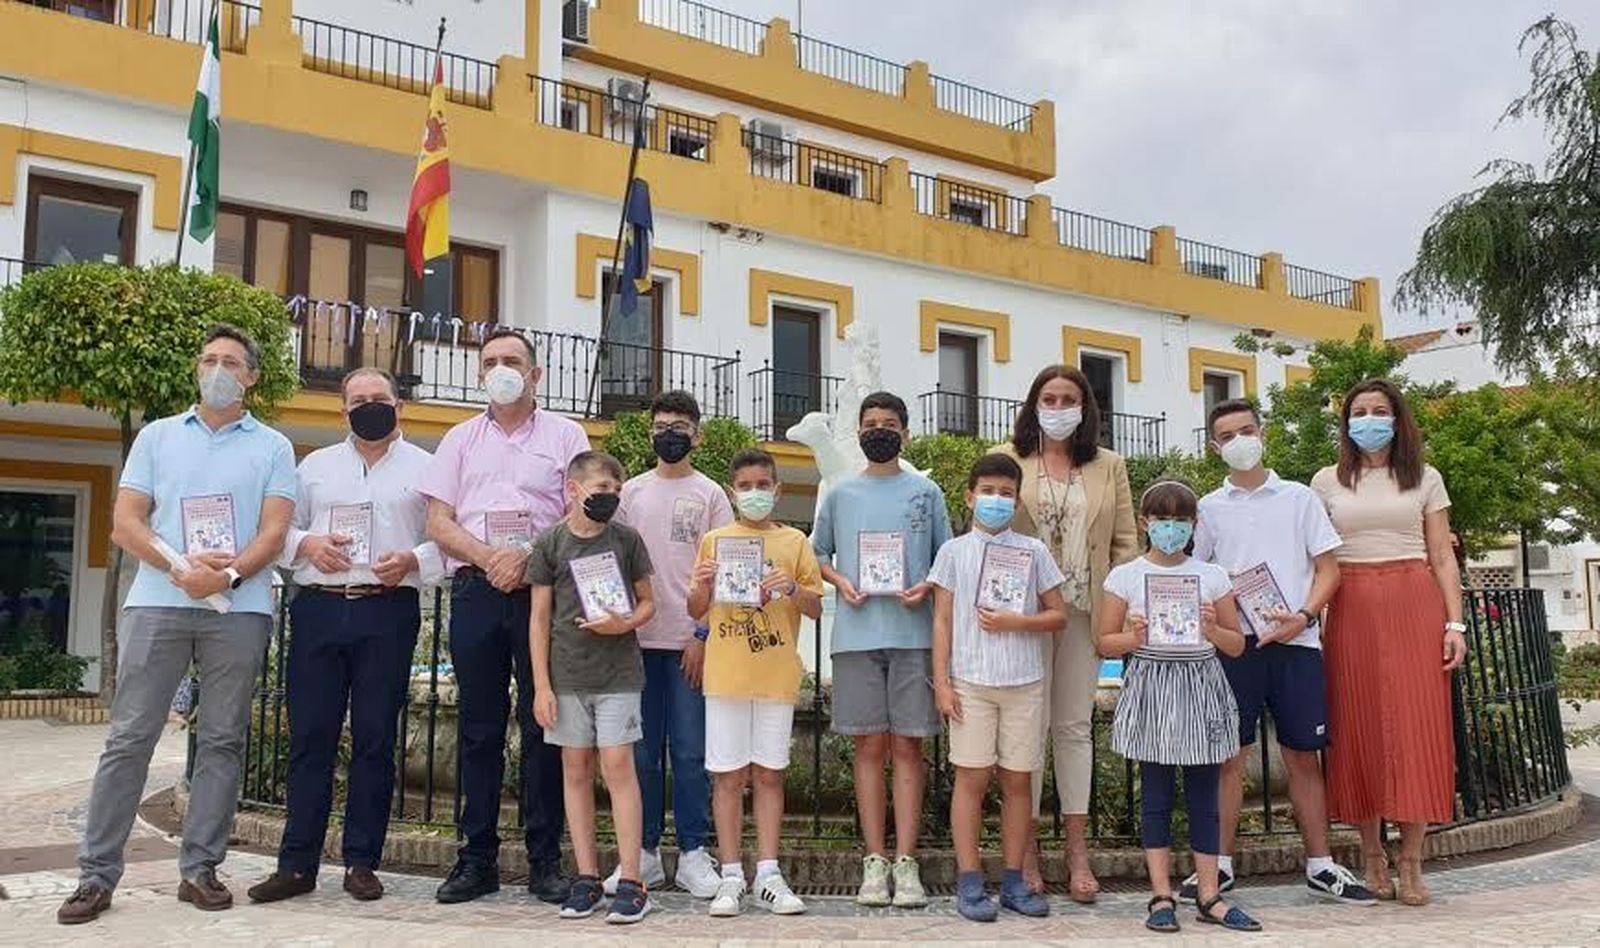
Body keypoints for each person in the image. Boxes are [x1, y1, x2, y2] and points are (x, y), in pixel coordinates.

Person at [58, 324, 296, 924]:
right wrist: (182, 568)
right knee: (129, 739)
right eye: (208, 359)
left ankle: (200, 870)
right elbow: (126, 523)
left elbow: (274, 532)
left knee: (222, 739)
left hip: (238, 610)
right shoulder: (157, 436)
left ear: (251, 377)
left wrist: (227, 577)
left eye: (230, 362)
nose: (217, 370)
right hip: (158, 602)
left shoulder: (273, 446)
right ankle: (96, 876)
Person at [247, 368, 444, 905]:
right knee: (310, 739)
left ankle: (361, 863)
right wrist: (308, 545)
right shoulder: (313, 466)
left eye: (379, 398)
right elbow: (278, 530)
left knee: (377, 740)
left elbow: (445, 539)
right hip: (319, 608)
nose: (369, 406)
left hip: (388, 609)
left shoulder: (428, 469)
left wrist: (413, 560)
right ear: (342, 410)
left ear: (399, 405)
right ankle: (296, 865)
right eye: (358, 400)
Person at [419, 328, 590, 905]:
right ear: (479, 374)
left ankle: (546, 860)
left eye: (512, 360)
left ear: (535, 374)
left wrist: (526, 556)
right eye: (490, 361)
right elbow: (438, 521)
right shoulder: (459, 439)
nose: (500, 369)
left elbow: (578, 514)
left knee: (545, 721)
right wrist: (490, 556)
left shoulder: (566, 436)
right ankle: (477, 858)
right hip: (476, 589)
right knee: (478, 726)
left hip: (543, 593)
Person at [1186, 399, 1374, 905]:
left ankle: (1321, 865)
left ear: (1262, 432)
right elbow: (1197, 575)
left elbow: (1329, 570)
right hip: (1236, 647)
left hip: (1297, 641)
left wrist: (1305, 616)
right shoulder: (1208, 508)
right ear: (1215, 447)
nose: (1239, 441)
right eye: (1228, 436)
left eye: (1246, 430)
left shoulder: (1299, 498)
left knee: (1304, 756)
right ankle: (1218, 867)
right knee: (1228, 757)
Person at [1311, 379, 1467, 907]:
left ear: (1398, 420)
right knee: (1358, 727)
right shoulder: (1326, 481)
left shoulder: (1425, 477)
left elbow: (1441, 556)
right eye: (1359, 411)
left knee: (1417, 728)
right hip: (1350, 603)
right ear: (1346, 422)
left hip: (1412, 601)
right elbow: (1316, 556)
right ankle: (1372, 855)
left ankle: (1412, 860)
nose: (1369, 419)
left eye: (1380, 410)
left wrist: (1455, 625)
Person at [991, 364, 1137, 899]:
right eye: (1048, 398)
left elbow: (1126, 545)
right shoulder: (1008, 458)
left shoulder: (1108, 465)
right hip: (1023, 617)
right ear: (1034, 405)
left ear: (1085, 408)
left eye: (1068, 399)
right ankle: (1025, 849)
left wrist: (1117, 613)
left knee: (1073, 728)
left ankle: (1077, 851)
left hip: (1082, 614)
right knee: (1026, 729)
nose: (1058, 408)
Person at [1097, 480, 1259, 934]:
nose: (1171, 528)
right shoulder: (1125, 576)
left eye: (1180, 520)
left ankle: (1209, 894)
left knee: (1205, 794)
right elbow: (1104, 642)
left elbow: (1236, 645)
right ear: (1145, 522)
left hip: (1200, 683)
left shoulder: (1211, 576)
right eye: (1162, 519)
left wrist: (1211, 629)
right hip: (1152, 683)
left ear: (1194, 525)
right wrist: (1134, 637)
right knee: (1157, 793)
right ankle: (1161, 894)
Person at [811, 391, 951, 908]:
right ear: (859, 432)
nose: (879, 431)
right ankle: (874, 859)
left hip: (914, 636)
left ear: (905, 433)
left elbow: (946, 558)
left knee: (909, 747)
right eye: (870, 423)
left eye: (889, 424)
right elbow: (816, 554)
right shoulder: (841, 493)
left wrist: (927, 584)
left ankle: (907, 860)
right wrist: (841, 582)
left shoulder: (927, 492)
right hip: (856, 636)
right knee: (868, 747)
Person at [686, 449, 823, 918]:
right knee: (727, 776)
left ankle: (768, 872)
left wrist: (792, 588)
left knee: (769, 774)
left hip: (775, 676)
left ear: (777, 490)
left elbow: (815, 607)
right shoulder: (715, 541)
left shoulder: (795, 541)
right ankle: (730, 874)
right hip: (726, 675)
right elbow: (695, 609)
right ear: (732, 492)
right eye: (745, 486)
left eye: (763, 485)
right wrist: (702, 585)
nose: (754, 493)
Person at [928, 453, 1065, 923]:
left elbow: (1058, 614)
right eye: (987, 491)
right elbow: (942, 621)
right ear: (970, 497)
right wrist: (942, 683)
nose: (996, 500)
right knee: (971, 779)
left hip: (1023, 681)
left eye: (1006, 493)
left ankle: (1013, 880)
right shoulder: (952, 552)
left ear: (1017, 501)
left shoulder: (1033, 551)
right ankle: (969, 880)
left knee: (1018, 781)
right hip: (971, 682)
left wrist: (1018, 621)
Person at [609, 390, 733, 899]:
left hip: (689, 643)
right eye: (661, 426)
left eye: (679, 427)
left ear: (697, 435)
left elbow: (725, 571)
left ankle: (693, 853)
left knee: (688, 750)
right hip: (636, 642)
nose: (670, 434)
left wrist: (702, 634)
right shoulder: (631, 493)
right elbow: (613, 563)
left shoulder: (711, 495)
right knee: (640, 754)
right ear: (650, 434)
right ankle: (642, 853)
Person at [528, 451, 657, 924]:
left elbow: (648, 602)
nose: (610, 497)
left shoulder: (626, 539)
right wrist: (541, 686)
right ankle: (586, 877)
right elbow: (539, 618)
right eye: (602, 488)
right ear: (574, 488)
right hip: (567, 675)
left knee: (619, 766)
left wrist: (625, 623)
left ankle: (632, 880)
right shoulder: (550, 542)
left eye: (616, 490)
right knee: (575, 769)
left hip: (618, 672)